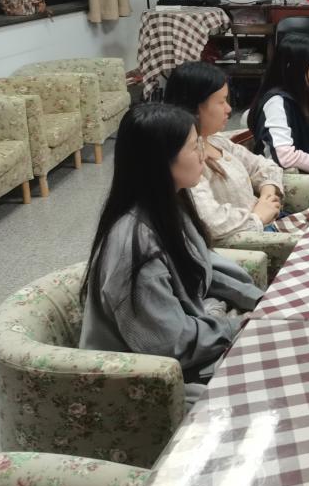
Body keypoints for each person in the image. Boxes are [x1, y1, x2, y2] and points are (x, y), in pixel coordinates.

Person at [79, 104, 264, 404]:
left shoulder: (170, 205)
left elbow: (203, 266)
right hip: (149, 385)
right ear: (160, 161)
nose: (203, 154)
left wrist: (260, 302)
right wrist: (238, 325)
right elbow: (170, 343)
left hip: (194, 340)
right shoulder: (134, 249)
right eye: (193, 147)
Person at [164, 62, 309, 242]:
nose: (229, 109)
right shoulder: (188, 165)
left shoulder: (216, 141)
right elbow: (210, 222)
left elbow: (263, 165)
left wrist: (267, 193)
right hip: (259, 234)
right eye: (221, 102)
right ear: (195, 107)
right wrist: (257, 216)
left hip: (271, 220)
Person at [247, 33, 309, 175]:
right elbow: (284, 156)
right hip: (286, 179)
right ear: (293, 66)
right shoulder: (276, 103)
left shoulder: (307, 92)